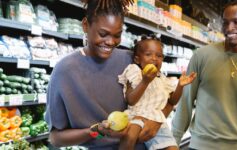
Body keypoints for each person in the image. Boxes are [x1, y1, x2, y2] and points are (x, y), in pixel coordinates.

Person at [45, 0, 173, 149]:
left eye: (117, 35)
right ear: (85, 25)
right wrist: (97, 131)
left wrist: (156, 121)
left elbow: (163, 96)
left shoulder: (131, 60)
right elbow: (55, 138)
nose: (111, 42)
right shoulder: (65, 71)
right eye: (103, 34)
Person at [171, 1, 237, 150]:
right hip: (200, 146)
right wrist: (172, 142)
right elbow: (185, 105)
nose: (229, 28)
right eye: (225, 22)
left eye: (236, 22)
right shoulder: (201, 57)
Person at [117, 35, 196, 150]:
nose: (154, 58)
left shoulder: (162, 78)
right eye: (148, 54)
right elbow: (130, 100)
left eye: (159, 56)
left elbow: (172, 101)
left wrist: (180, 86)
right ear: (137, 59)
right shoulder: (134, 71)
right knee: (130, 136)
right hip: (137, 115)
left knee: (172, 147)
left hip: (157, 119)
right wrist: (145, 81)